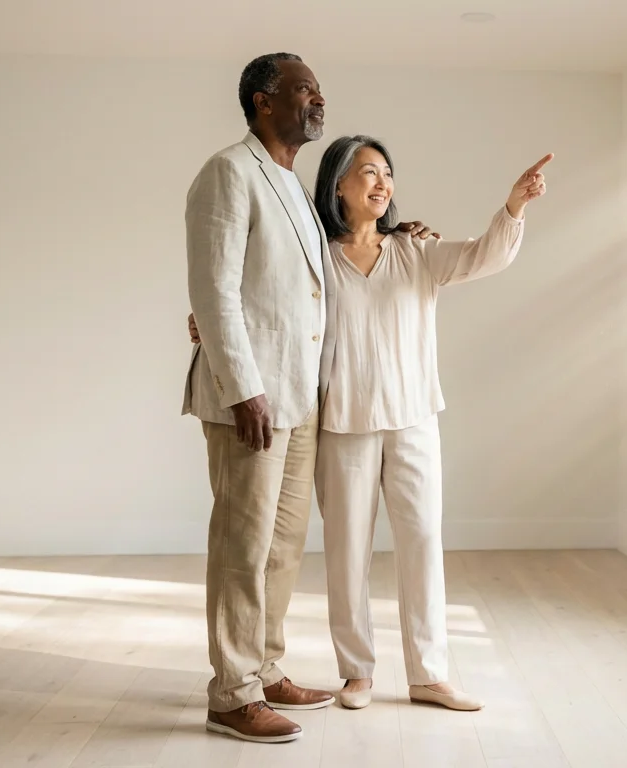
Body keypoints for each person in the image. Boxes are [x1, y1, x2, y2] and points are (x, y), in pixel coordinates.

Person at [190, 136, 550, 712]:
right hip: (343, 424)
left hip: (413, 421)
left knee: (423, 545)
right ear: (337, 186)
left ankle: (430, 674)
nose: (382, 183)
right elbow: (269, 298)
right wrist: (202, 319)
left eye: (386, 173)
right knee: (347, 553)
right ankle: (357, 672)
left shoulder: (415, 251)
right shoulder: (318, 260)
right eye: (367, 173)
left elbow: (485, 254)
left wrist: (515, 207)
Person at [183, 53, 438, 744]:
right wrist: (243, 389)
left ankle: (264, 669)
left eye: (319, 91)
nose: (317, 101)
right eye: (303, 91)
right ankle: (231, 692)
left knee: (284, 545)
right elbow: (214, 291)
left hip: (302, 399)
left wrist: (397, 232)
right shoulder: (229, 173)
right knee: (244, 542)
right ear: (265, 102)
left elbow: (328, 270)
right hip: (253, 398)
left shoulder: (293, 188)